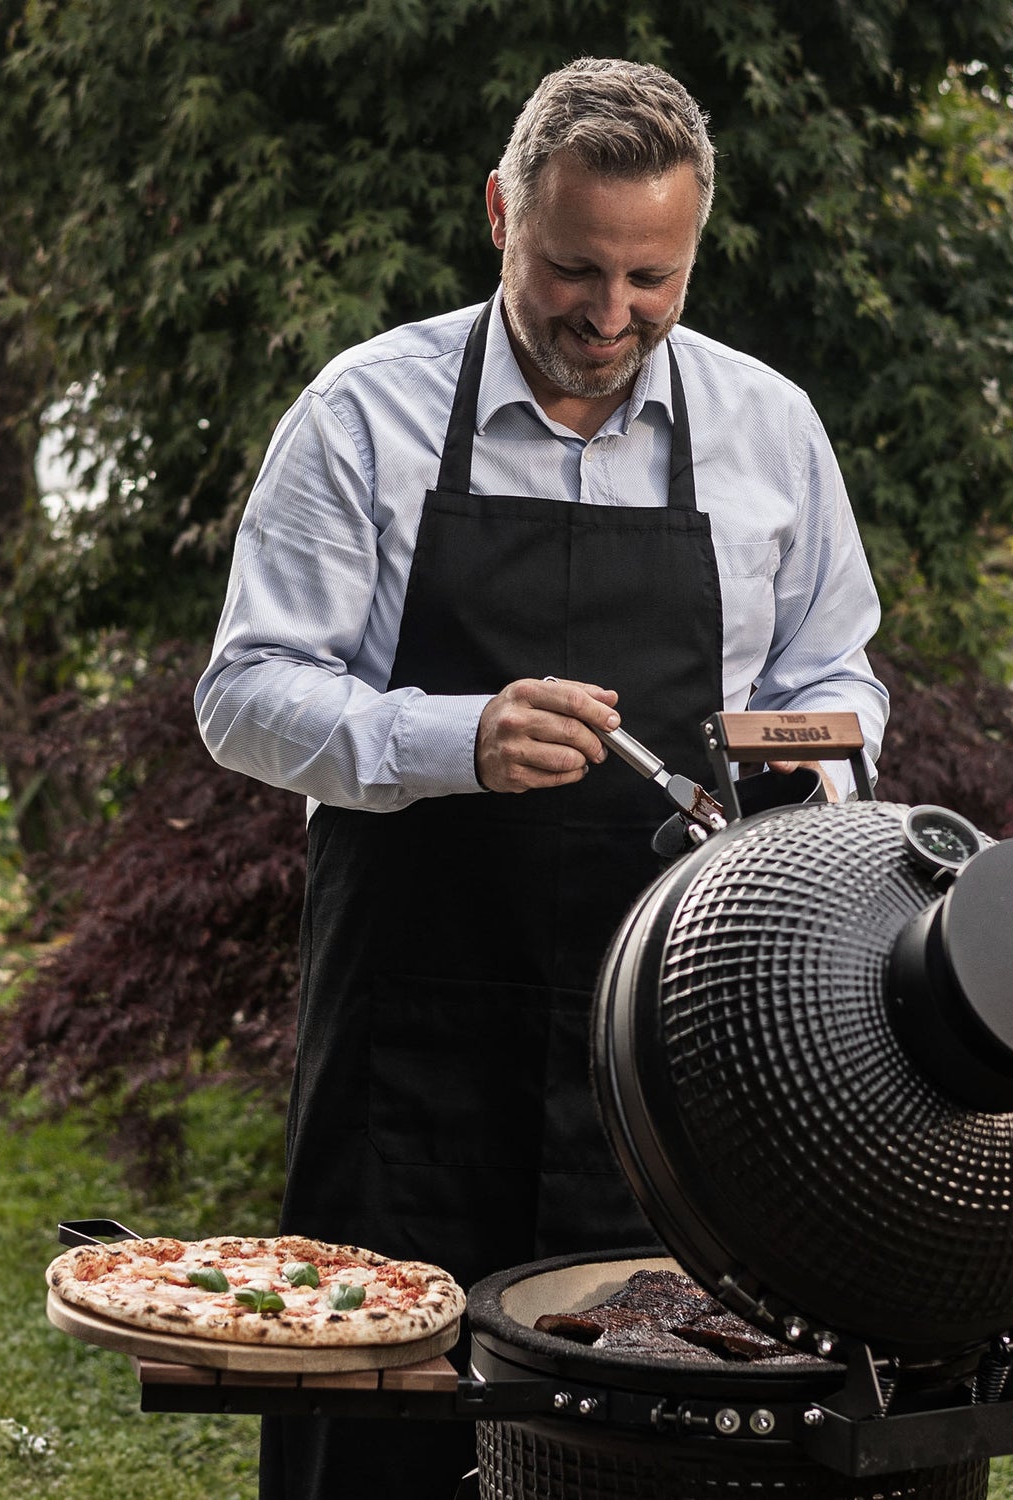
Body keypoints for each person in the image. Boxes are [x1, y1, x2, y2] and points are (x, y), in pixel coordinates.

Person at [195, 56, 889, 1500]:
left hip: (686, 1033)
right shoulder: (362, 414)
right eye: (576, 267)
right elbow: (244, 697)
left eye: (655, 277)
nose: (611, 315)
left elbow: (838, 683)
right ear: (500, 213)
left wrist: (809, 791)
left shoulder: (769, 428)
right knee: (376, 1434)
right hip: (412, 1027)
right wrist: (452, 736)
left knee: (652, 1433)